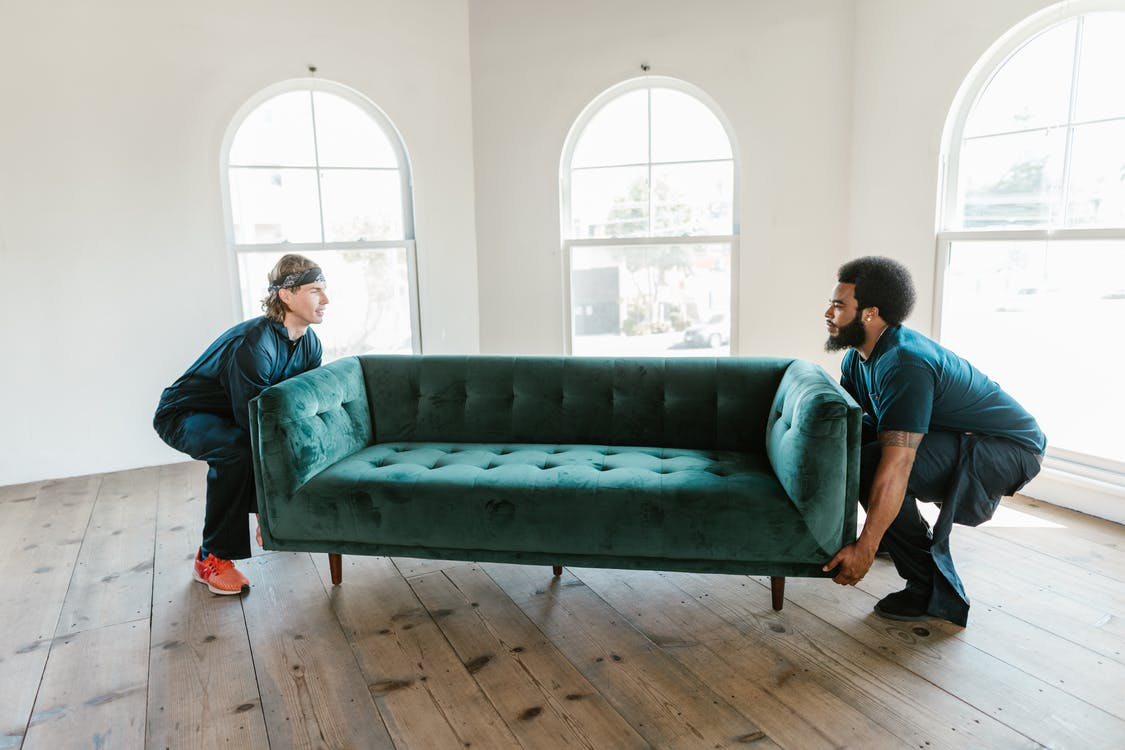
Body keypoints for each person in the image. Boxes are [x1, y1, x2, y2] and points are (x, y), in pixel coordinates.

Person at [821, 256, 1045, 625]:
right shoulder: (857, 359)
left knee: (875, 466)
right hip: (966, 436)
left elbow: (897, 466)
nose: (828, 312)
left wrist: (866, 545)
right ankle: (899, 539)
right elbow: (852, 430)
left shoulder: (903, 363)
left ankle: (929, 587)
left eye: (839, 305)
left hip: (1009, 450)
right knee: (860, 452)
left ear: (870, 314)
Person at [154, 254, 329, 595]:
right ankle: (210, 559)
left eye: (325, 290)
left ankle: (273, 519)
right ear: (287, 295)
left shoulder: (310, 344)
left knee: (260, 441)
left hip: (232, 415)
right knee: (236, 449)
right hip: (183, 413)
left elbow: (302, 409)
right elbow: (254, 425)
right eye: (315, 290)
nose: (325, 300)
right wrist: (265, 503)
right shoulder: (254, 344)